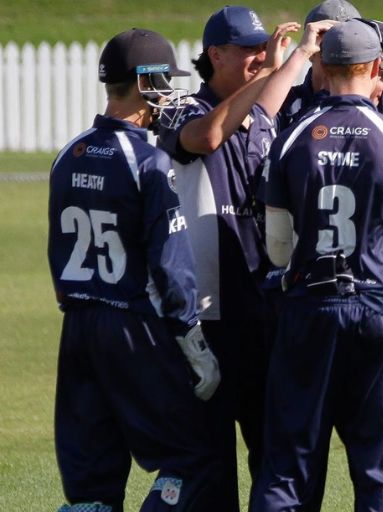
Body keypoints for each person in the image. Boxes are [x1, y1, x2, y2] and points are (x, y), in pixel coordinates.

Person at [252, 19, 383, 512]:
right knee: (381, 474)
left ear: (321, 63)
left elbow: (277, 250)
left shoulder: (290, 138)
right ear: (376, 67)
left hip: (308, 311)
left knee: (288, 469)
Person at [156, 6, 333, 508]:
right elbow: (209, 136)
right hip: (208, 315)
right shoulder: (180, 109)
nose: (260, 55)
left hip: (262, 307)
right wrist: (277, 69)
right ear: (215, 54)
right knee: (210, 466)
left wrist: (294, 59)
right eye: (249, 49)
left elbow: (264, 106)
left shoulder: (257, 109)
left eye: (263, 47)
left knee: (271, 456)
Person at [48, 28, 222, 511]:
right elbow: (170, 262)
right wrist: (190, 338)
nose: (170, 92)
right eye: (164, 81)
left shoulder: (68, 156)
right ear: (145, 83)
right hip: (132, 326)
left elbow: (55, 249)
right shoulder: (149, 160)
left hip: (78, 323)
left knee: (90, 480)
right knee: (190, 457)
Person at [276, 0, 362, 131]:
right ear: (311, 51)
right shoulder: (283, 103)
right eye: (329, 45)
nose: (340, 52)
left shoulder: (377, 100)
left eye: (350, 44)